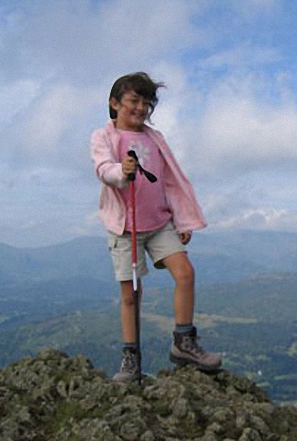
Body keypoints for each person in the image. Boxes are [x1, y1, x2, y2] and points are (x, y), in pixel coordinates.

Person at [90, 72, 221, 381]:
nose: (140, 109)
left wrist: (182, 219)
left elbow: (170, 182)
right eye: (134, 101)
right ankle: (131, 358)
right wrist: (121, 171)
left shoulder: (154, 138)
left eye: (146, 104)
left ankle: (184, 343)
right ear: (114, 102)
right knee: (131, 295)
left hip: (160, 223)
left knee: (185, 273)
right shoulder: (104, 136)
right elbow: (103, 169)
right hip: (125, 228)